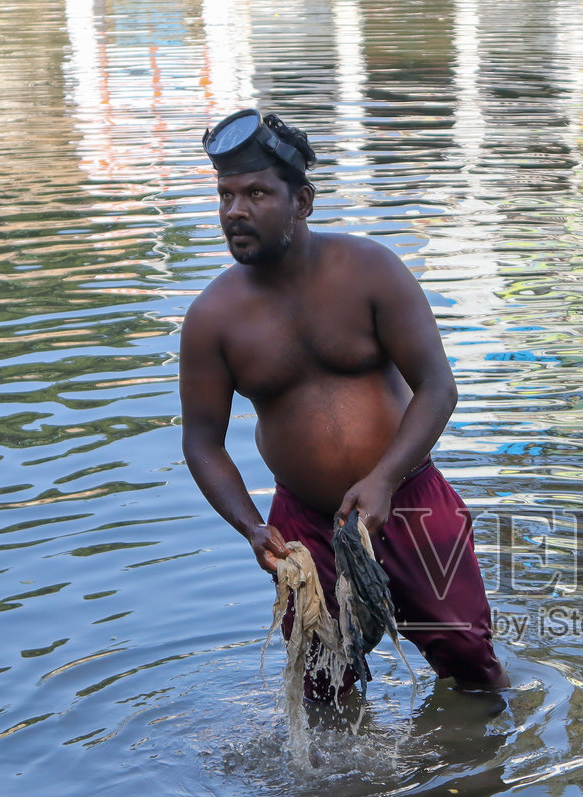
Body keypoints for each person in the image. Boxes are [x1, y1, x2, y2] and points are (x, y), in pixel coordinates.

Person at [178, 109, 507, 692]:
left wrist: (383, 479)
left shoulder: (370, 270)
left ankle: (480, 771)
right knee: (322, 682)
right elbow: (203, 443)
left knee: (470, 661)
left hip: (408, 496)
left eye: (256, 193)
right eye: (225, 195)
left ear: (302, 202)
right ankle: (344, 786)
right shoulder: (212, 318)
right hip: (303, 525)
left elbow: (438, 387)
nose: (235, 212)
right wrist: (252, 528)